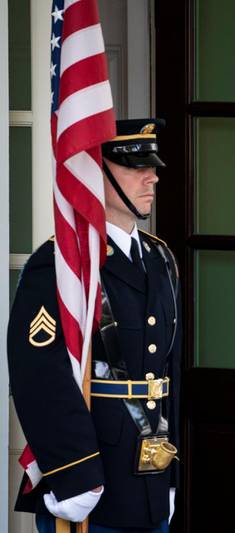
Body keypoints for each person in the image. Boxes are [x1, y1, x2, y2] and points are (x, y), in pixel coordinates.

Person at [8, 119, 181, 532]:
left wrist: (170, 476)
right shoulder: (62, 265)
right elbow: (38, 376)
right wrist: (73, 472)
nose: (151, 177)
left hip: (150, 476)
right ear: (93, 175)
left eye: (152, 167)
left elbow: (166, 370)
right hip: (91, 477)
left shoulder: (160, 258)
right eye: (134, 167)